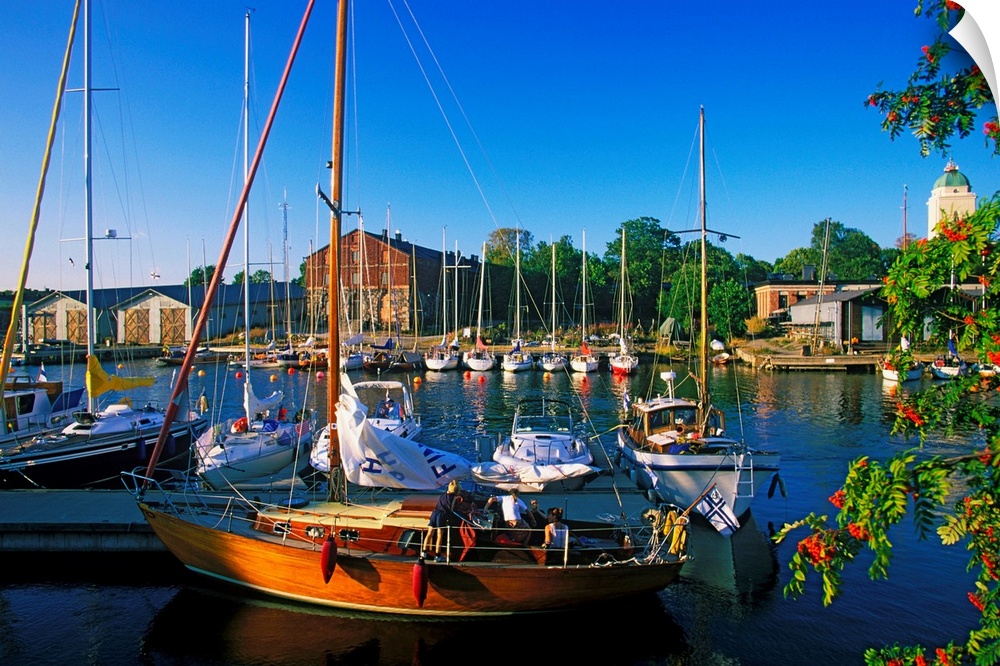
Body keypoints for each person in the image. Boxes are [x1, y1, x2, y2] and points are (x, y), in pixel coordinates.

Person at [422, 479, 463, 562]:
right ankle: (437, 556)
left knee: (429, 533)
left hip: (435, 513)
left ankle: (423, 552)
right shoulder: (453, 497)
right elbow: (451, 509)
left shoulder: (443, 495)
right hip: (442, 515)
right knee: (439, 535)